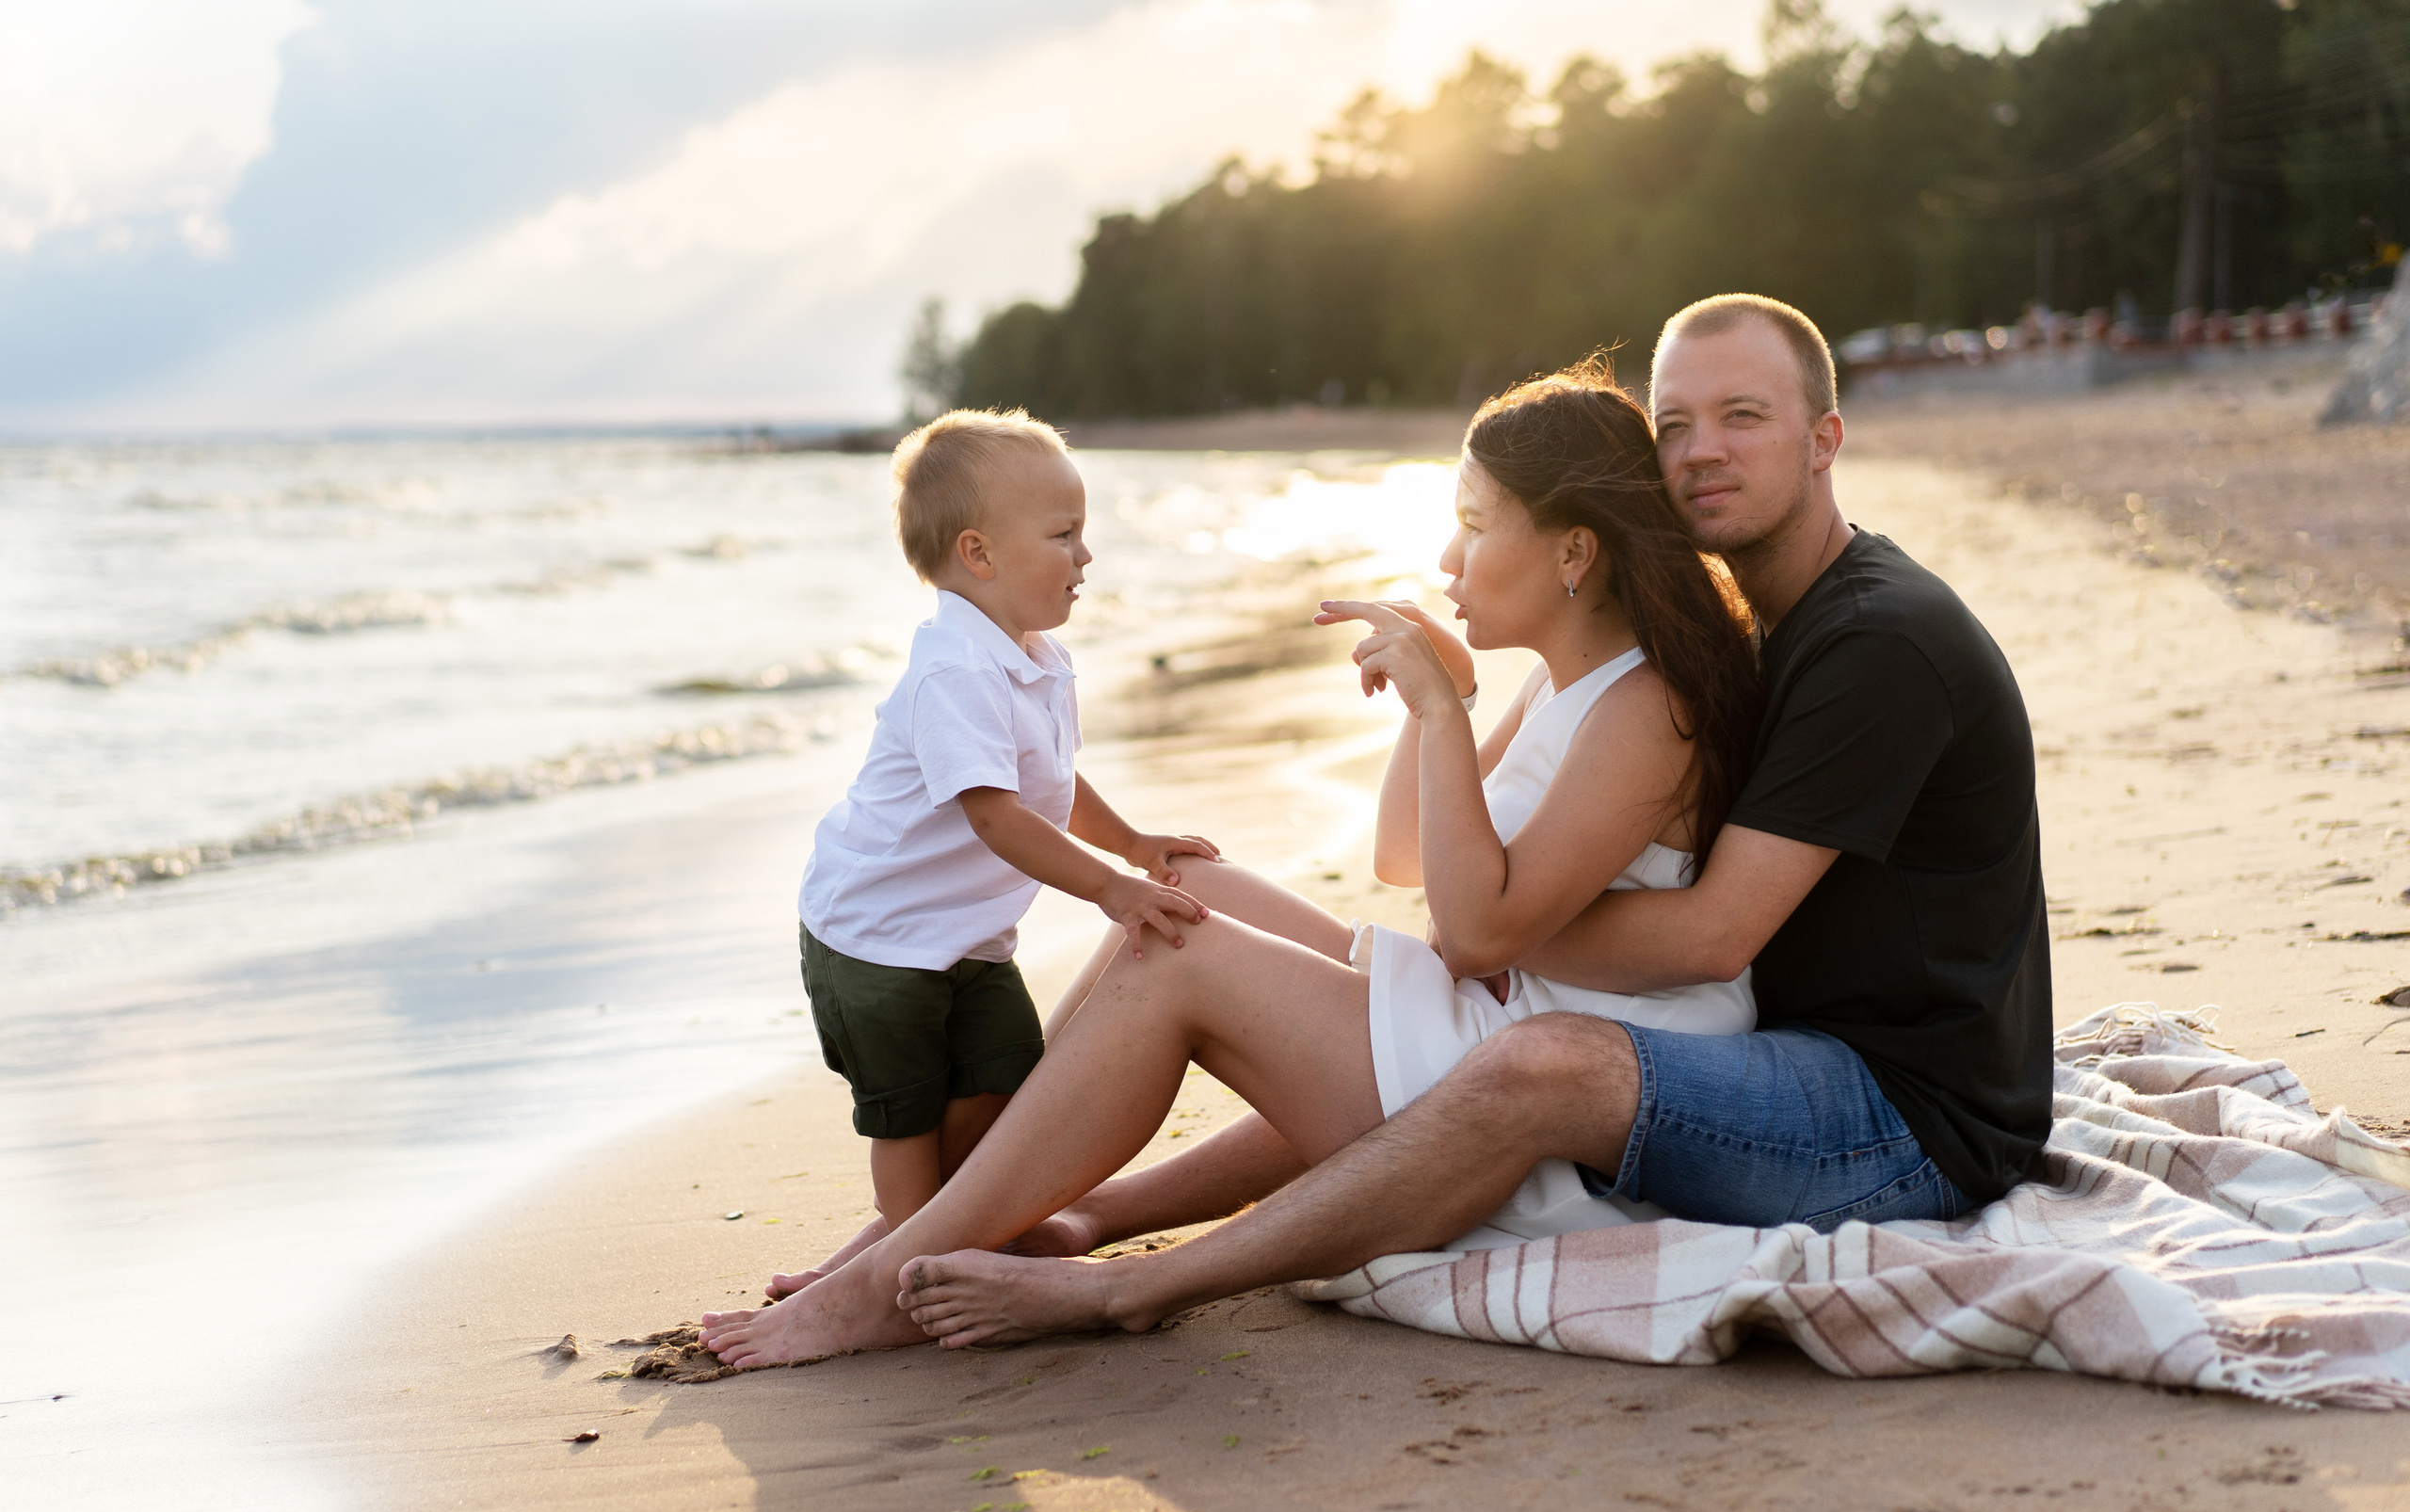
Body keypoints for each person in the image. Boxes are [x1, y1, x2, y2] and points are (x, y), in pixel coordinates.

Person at [870, 294, 2053, 1350]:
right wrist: (1457, 828)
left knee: (1506, 1049)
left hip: (1893, 1113)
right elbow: (1432, 871)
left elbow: (1709, 938)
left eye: (1742, 417)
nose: (1697, 455)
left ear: (1823, 439)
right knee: (1213, 908)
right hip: (1750, 1044)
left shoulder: (1870, 644)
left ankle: (1097, 1283)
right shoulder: (1737, 627)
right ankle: (1055, 1214)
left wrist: (1477, 932)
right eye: (1674, 424)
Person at [700, 355, 1770, 1367]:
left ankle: (895, 1273)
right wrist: (1435, 705)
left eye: (1474, 527)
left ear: (1574, 555)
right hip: (1497, 1023)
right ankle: (954, 1224)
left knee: (1179, 954)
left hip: (1543, 1114)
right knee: (1183, 892)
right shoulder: (1564, 682)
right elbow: (1407, 857)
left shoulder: (1646, 706)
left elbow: (1474, 926)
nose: (1446, 559)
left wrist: (1445, 714)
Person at [769, 407, 1220, 1296]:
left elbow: (1051, 778)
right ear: (979, 555)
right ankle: (898, 1274)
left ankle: (920, 1238)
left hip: (966, 940)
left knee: (1000, 1086)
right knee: (906, 1119)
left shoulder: (1034, 657)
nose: (1086, 556)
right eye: (1064, 534)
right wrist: (1113, 887)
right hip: (877, 941)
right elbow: (998, 817)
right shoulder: (956, 671)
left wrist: (1129, 839)